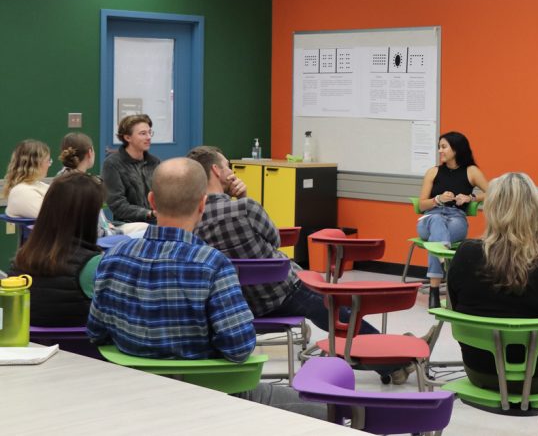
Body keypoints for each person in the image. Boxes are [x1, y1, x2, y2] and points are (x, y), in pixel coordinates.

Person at [87, 157, 323, 418]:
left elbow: (97, 333)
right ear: (202, 204)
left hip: (134, 395)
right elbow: (239, 348)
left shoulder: (112, 259)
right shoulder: (212, 264)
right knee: (338, 410)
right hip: (213, 396)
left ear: (152, 201)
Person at [186, 146, 405, 383]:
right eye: (227, 165)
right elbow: (276, 239)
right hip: (281, 291)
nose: (231, 171)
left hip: (239, 304)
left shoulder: (191, 218)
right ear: (217, 171)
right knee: (333, 308)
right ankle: (398, 358)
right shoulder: (244, 207)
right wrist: (244, 197)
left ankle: (394, 358)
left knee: (326, 303)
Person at [446, 172, 538, 436]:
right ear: (535, 212)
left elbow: (454, 307)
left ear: (492, 210)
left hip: (482, 372)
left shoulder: (464, 255)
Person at [8, 173, 104, 326]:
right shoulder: (94, 266)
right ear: (89, 217)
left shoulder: (20, 259)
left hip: (30, 346)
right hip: (80, 348)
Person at [417, 131, 489, 309]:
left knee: (438, 236)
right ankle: (444, 256)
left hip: (456, 218)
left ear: (456, 149)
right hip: (430, 217)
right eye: (439, 147)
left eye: (444, 147)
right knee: (436, 220)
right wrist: (438, 199)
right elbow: (421, 205)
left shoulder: (471, 171)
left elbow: (493, 192)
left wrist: (470, 198)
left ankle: (434, 291)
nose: (440, 151)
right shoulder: (433, 172)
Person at [101, 114, 160, 224]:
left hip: (157, 222)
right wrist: (148, 213)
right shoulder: (112, 164)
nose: (149, 137)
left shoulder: (155, 162)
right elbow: (117, 204)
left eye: (149, 132)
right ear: (127, 137)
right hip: (130, 226)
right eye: (143, 133)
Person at [3, 139, 51, 218]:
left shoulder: (38, 185)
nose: (49, 165)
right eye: (47, 161)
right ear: (35, 164)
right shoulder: (22, 192)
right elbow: (51, 218)